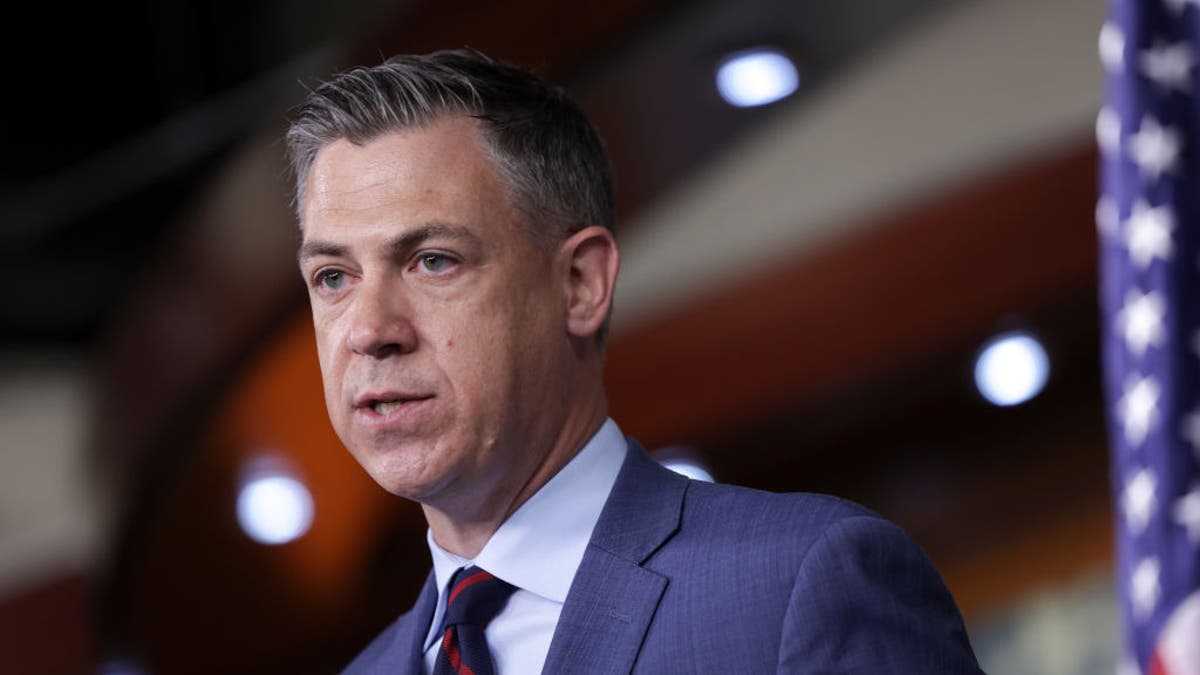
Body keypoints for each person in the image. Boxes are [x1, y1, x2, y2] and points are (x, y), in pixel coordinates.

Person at [287, 48, 983, 674]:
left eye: (433, 260)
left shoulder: (805, 585)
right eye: (333, 278)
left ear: (580, 284)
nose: (370, 329)